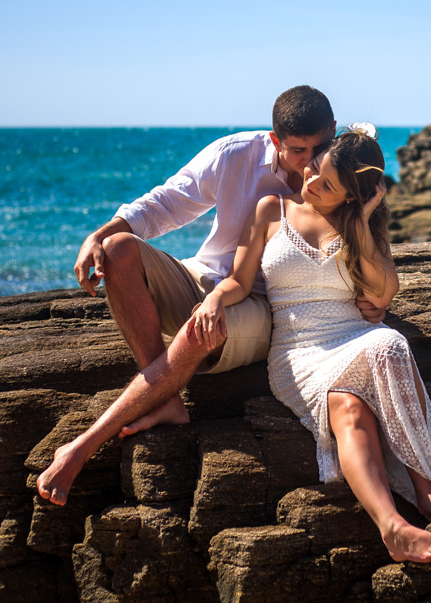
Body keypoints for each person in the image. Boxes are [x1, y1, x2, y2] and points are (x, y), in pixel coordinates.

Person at [38, 86, 385, 505]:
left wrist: (371, 300)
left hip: (266, 306)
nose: (310, 160)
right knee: (118, 251)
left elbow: (369, 258)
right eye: (297, 150)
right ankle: (165, 398)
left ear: (333, 130)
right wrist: (99, 234)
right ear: (275, 140)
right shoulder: (235, 154)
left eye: (320, 145)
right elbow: (167, 201)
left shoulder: (341, 182)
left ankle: (84, 445)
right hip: (206, 276)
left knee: (203, 327)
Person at [186, 126, 431, 563]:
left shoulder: (359, 224)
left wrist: (360, 221)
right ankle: (396, 524)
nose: (311, 182)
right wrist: (212, 299)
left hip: (351, 334)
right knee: (356, 391)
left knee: (383, 353)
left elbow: (382, 294)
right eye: (314, 170)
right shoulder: (271, 210)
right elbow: (239, 281)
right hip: (297, 351)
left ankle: (423, 495)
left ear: (351, 197)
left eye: (327, 184)